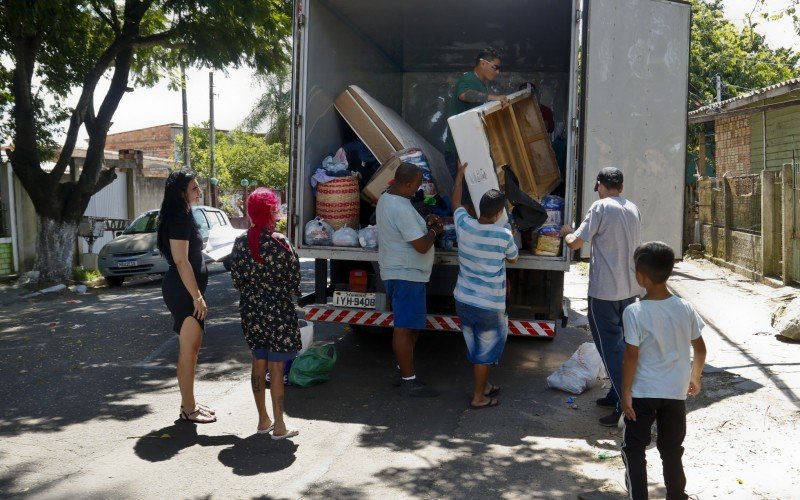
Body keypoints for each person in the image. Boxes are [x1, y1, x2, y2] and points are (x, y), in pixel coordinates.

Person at [620, 242, 707, 499]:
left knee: (634, 448)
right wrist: (695, 377)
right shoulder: (685, 308)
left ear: (640, 276)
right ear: (670, 272)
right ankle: (677, 496)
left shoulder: (634, 311)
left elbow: (631, 357)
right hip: (675, 394)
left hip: (643, 393)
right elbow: (701, 350)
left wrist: (625, 393)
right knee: (671, 450)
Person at [560, 167, 642, 426]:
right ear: (621, 186)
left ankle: (622, 403)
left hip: (604, 292)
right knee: (620, 347)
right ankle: (614, 393)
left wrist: (565, 232)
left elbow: (576, 242)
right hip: (629, 292)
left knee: (611, 349)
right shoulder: (632, 208)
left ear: (599, 185)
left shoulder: (600, 208)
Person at [230, 187, 301, 440]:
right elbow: (294, 282)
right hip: (279, 312)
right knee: (277, 368)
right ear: (272, 212)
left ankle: (263, 420)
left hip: (251, 311)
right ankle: (280, 426)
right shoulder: (280, 242)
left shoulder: (239, 243)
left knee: (258, 363)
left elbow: (237, 281)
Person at [452, 161, 518, 409]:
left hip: (464, 300)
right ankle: (479, 397)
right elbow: (513, 257)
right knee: (485, 351)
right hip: (489, 304)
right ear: (500, 213)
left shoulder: (464, 225)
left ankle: (485, 385)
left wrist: (459, 178)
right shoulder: (503, 235)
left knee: (476, 347)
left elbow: (456, 204)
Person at [376, 162, 444, 397]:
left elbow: (408, 231)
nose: (418, 189)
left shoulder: (388, 198)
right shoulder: (400, 208)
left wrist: (426, 224)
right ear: (405, 184)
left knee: (410, 327)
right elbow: (422, 246)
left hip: (402, 273)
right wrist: (436, 231)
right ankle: (408, 380)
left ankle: (404, 370)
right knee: (404, 329)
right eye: (415, 185)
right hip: (406, 274)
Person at [157, 168, 215, 423]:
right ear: (181, 192)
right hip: (183, 291)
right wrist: (197, 296)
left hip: (185, 289)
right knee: (188, 351)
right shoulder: (179, 216)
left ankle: (189, 402)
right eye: (194, 187)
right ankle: (188, 409)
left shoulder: (183, 213)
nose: (199, 190)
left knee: (192, 349)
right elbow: (181, 261)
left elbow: (189, 254)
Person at [444, 47, 509, 177]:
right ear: (483, 63)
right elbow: (464, 95)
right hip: (457, 150)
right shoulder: (468, 78)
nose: (497, 72)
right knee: (462, 193)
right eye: (495, 67)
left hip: (468, 149)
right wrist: (492, 97)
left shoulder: (481, 84)